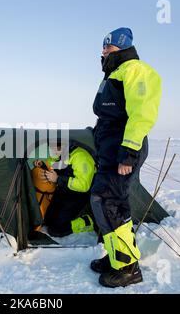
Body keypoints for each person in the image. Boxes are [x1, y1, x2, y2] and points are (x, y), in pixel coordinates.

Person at [89, 27, 162, 288]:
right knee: (105, 201)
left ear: (120, 48)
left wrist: (128, 154)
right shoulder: (116, 73)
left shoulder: (135, 70)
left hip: (123, 150)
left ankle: (128, 268)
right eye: (103, 47)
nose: (103, 51)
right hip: (111, 150)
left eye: (107, 48)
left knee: (109, 202)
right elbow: (111, 115)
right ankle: (117, 257)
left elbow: (141, 113)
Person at [33, 140, 97, 237]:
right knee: (46, 220)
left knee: (56, 230)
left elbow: (84, 186)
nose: (53, 153)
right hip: (63, 191)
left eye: (55, 150)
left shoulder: (81, 157)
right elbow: (52, 164)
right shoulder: (60, 154)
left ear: (63, 147)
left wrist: (58, 179)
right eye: (51, 149)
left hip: (78, 195)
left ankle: (89, 221)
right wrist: (42, 165)